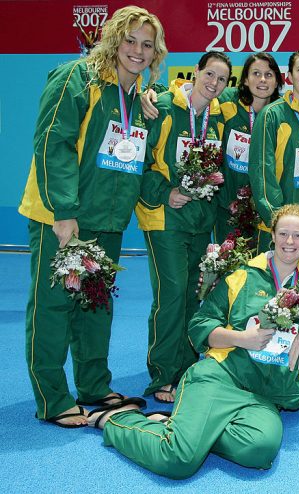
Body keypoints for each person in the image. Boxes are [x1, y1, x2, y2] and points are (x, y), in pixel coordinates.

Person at [88, 204, 299, 478]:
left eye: (298, 235)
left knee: (260, 450)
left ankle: (191, 427)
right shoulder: (243, 275)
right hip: (221, 377)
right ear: (272, 235)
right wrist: (242, 338)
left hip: (264, 396)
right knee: (178, 460)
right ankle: (119, 421)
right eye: (283, 233)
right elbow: (200, 325)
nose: (290, 242)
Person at [18, 6, 167, 427]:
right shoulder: (75, 77)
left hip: (108, 219)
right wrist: (64, 212)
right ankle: (52, 397)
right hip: (61, 216)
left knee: (96, 307)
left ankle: (94, 386)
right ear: (113, 38)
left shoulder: (139, 98)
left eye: (147, 45)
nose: (137, 51)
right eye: (130, 40)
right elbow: (53, 143)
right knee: (54, 306)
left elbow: (133, 160)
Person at [135, 52, 231, 403]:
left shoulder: (220, 116)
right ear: (196, 72)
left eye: (222, 79)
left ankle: (187, 367)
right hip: (165, 218)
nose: (214, 83)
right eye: (209, 74)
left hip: (200, 221)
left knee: (195, 296)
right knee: (172, 293)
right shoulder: (161, 107)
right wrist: (165, 192)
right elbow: (138, 161)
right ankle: (162, 373)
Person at [249, 49, 299, 252]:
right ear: (290, 76)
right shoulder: (271, 115)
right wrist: (279, 221)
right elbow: (262, 173)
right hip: (281, 229)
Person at [214, 52, 284, 243]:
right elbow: (196, 93)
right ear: (245, 79)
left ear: (277, 80)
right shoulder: (227, 101)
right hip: (227, 208)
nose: (262, 80)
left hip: (263, 210)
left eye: (269, 75)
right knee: (228, 265)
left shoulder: (282, 113)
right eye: (256, 73)